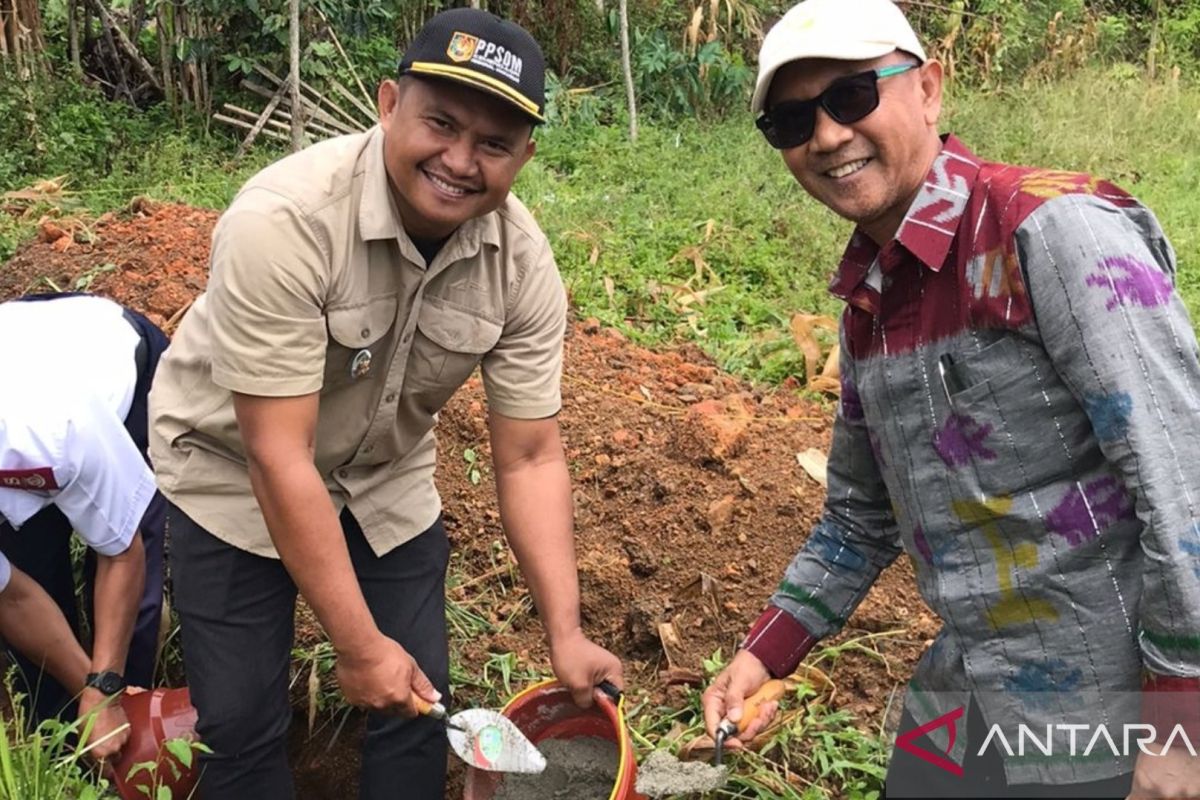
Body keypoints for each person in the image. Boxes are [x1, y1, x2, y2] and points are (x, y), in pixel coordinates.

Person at [701, 1, 1200, 797]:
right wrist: (764, 653)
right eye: (792, 121)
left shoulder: (1052, 232)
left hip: (1112, 716)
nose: (826, 136)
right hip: (964, 686)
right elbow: (858, 518)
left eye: (852, 96)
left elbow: (1182, 475)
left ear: (929, 89)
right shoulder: (871, 305)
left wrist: (1180, 726)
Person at [148, 8, 623, 799]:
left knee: (419, 705)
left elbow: (531, 456)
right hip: (232, 470)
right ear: (389, 104)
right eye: (442, 123)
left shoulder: (521, 265)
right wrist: (358, 644)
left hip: (381, 474)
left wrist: (565, 633)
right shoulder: (285, 222)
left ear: (524, 156)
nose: (460, 161)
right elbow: (278, 455)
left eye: (494, 144)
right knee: (241, 724)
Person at [0, 292, 168, 761]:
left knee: (131, 599)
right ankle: (61, 754)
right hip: (36, 407)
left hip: (113, 369)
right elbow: (12, 596)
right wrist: (84, 689)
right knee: (33, 572)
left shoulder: (51, 428)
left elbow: (123, 554)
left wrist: (106, 689)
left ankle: (135, 743)